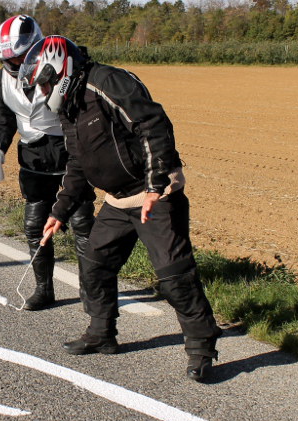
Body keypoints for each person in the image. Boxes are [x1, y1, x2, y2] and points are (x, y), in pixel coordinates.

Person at [19, 36, 223, 381]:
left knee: (174, 277)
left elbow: (153, 125)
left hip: (154, 195)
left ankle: (202, 344)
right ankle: (102, 334)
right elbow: (78, 165)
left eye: (44, 84)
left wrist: (156, 185)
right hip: (117, 200)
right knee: (94, 264)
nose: (43, 92)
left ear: (60, 70)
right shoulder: (69, 105)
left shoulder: (107, 82)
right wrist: (60, 211)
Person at [0, 16, 95, 310]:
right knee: (35, 225)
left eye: (21, 56)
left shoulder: (69, 68)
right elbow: (4, 118)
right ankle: (43, 290)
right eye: (9, 58)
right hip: (34, 156)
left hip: (70, 150)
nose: (15, 63)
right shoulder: (1, 79)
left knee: (82, 222)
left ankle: (91, 292)